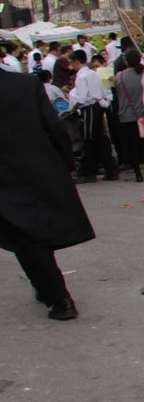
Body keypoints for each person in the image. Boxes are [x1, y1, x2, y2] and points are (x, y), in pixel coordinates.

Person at [0, 72, 94, 319]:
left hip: (6, 177)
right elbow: (54, 125)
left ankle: (58, 298)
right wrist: (66, 162)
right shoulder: (26, 83)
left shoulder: (28, 83)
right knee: (35, 230)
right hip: (40, 165)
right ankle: (46, 285)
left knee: (23, 235)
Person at [69, 50, 119, 182]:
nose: (71, 65)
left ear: (77, 62)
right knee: (99, 138)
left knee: (89, 139)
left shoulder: (81, 77)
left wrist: (74, 108)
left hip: (89, 108)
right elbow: (101, 91)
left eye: (72, 62)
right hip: (97, 106)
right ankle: (109, 168)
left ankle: (89, 171)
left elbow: (82, 98)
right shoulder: (93, 73)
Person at [114, 49, 144, 184]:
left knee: (132, 146)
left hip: (127, 115)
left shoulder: (119, 76)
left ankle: (138, 174)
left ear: (126, 61)